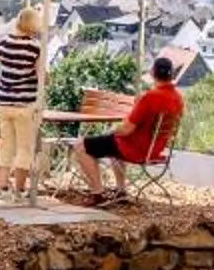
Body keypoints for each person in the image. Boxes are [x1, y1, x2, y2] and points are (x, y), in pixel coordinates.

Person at [78, 54, 183, 204]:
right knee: (112, 145)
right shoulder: (178, 99)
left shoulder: (151, 97)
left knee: (81, 146)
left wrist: (111, 131)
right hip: (154, 150)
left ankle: (97, 193)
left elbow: (126, 129)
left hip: (136, 149)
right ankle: (120, 191)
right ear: (171, 75)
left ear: (152, 73)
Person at [0, 6, 46, 198]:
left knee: (6, 145)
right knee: (24, 148)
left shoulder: (4, 42)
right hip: (25, 105)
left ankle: (2, 188)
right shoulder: (34, 47)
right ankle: (19, 190)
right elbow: (42, 75)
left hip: (4, 103)